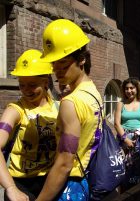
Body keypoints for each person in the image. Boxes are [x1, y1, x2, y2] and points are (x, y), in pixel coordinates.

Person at [36, 19, 102, 201]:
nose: (57, 71)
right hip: (88, 178)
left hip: (69, 184)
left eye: (63, 65)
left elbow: (65, 162)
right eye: (53, 65)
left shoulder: (70, 102)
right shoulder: (94, 91)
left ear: (82, 59)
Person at [0, 49, 58, 201]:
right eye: (22, 85)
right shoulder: (15, 110)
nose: (26, 90)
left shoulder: (59, 108)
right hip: (21, 185)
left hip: (51, 182)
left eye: (32, 85)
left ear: (45, 82)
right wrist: (11, 188)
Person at [114, 77, 140, 189]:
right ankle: (124, 191)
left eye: (132, 88)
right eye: (126, 89)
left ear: (137, 89)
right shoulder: (121, 104)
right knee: (124, 167)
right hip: (124, 139)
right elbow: (116, 123)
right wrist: (125, 139)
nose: (129, 91)